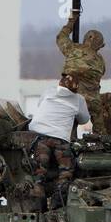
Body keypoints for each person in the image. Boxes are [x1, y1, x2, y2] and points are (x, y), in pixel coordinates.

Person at [27, 74, 90, 210]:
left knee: (39, 171)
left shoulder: (49, 91)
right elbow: (84, 119)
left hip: (40, 136)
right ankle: (57, 204)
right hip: (60, 139)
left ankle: (37, 202)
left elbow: (40, 104)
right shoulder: (78, 99)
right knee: (65, 172)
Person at [56, 11, 107, 134]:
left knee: (70, 123)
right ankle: (101, 141)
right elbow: (102, 74)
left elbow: (60, 37)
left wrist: (71, 22)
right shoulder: (100, 61)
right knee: (98, 120)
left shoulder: (72, 49)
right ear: (99, 45)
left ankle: (70, 140)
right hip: (92, 101)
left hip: (71, 98)